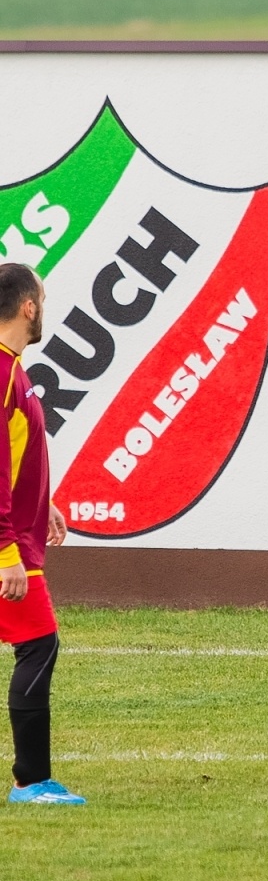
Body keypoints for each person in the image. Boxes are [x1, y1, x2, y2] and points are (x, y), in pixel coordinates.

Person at [0, 264, 81, 804]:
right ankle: (32, 781)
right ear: (29, 305)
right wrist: (7, 551)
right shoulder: (5, 372)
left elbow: (17, 453)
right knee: (39, 645)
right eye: (43, 300)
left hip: (20, 536)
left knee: (37, 645)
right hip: (8, 547)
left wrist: (44, 502)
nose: (44, 308)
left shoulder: (14, 370)